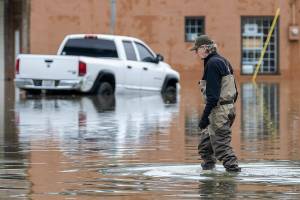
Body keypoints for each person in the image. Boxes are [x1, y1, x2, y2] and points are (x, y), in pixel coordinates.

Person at [190, 35, 241, 172]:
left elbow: (212, 97)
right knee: (205, 146)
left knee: (221, 148)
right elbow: (235, 90)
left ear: (205, 48)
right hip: (226, 108)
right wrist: (229, 107)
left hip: (219, 112)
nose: (196, 53)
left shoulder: (212, 64)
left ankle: (233, 176)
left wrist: (204, 118)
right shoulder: (223, 61)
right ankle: (209, 172)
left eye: (197, 49)